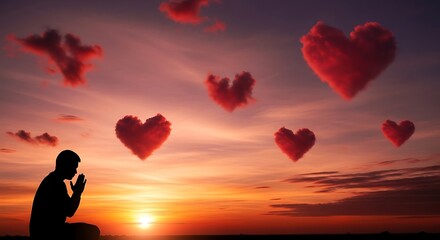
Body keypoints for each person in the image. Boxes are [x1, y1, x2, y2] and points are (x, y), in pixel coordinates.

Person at [29, 150, 100, 240]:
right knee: (92, 231)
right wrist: (77, 192)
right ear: (65, 166)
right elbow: (70, 211)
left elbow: (68, 209)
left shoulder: (53, 180)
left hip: (47, 231)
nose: (75, 172)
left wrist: (76, 193)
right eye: (74, 167)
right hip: (48, 233)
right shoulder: (55, 183)